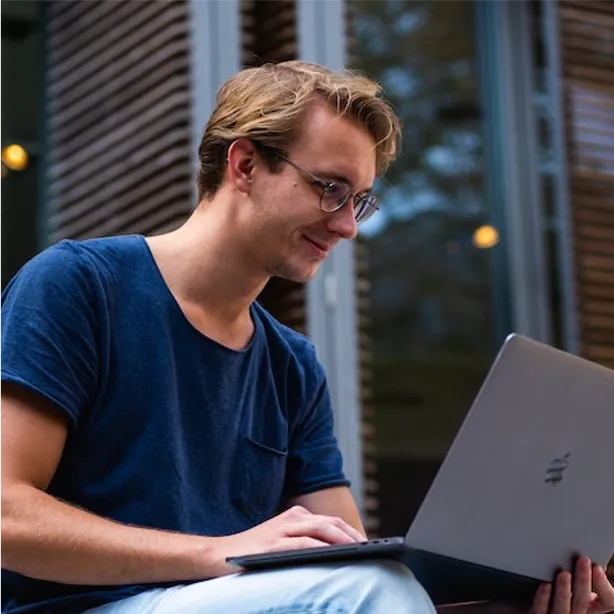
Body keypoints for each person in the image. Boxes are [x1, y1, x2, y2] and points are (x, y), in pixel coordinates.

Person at [0, 60, 611, 614]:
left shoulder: (292, 365)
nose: (347, 225)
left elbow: (352, 566)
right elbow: (5, 515)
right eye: (330, 188)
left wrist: (512, 604)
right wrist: (219, 552)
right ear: (244, 165)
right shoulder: (78, 286)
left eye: (360, 201)